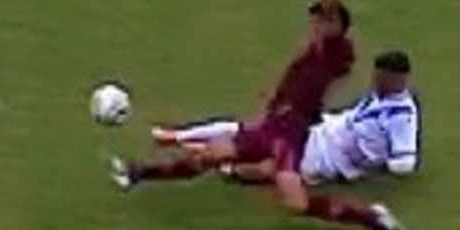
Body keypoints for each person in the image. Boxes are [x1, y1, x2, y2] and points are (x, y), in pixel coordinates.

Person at [110, 0, 412, 230]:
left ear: (334, 25)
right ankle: (137, 173)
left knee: (296, 203)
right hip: (273, 126)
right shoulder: (317, 50)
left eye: (319, 19)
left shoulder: (335, 50)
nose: (314, 24)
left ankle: (370, 217)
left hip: (290, 134)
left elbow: (331, 2)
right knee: (208, 157)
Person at [154, 50, 421, 186]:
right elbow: (355, 120)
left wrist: (369, 164)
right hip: (323, 131)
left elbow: (404, 164)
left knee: (272, 167)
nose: (374, 80)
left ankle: (221, 165)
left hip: (329, 159)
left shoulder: (402, 116)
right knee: (253, 131)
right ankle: (177, 136)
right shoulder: (381, 96)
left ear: (396, 79)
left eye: (380, 77)